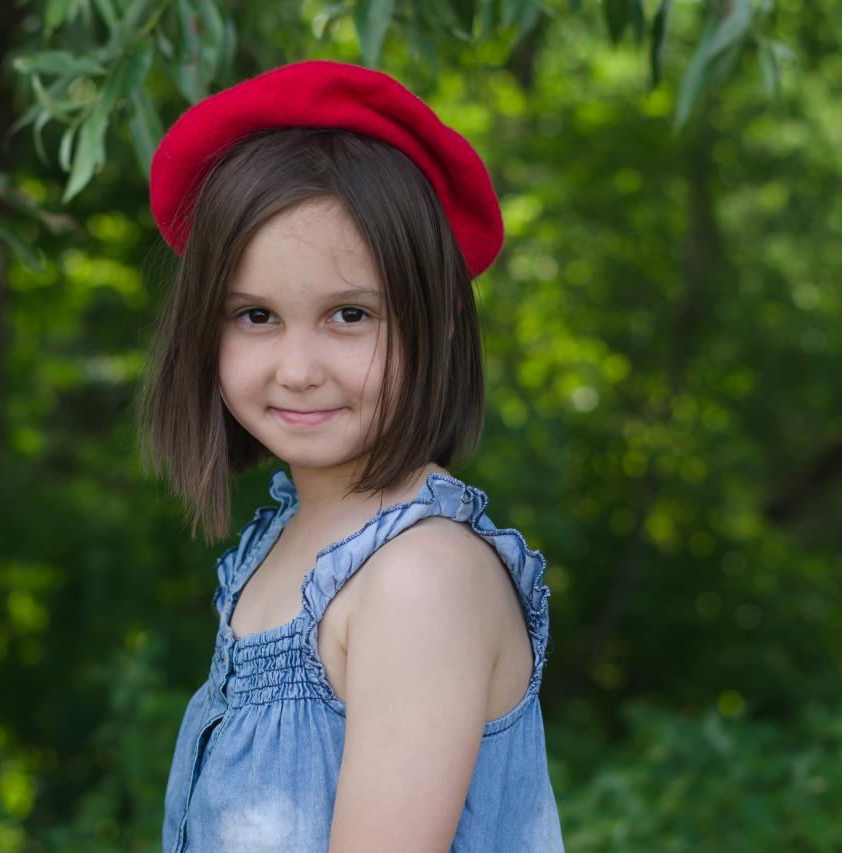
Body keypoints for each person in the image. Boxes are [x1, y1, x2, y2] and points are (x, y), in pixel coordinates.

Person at [136, 59, 563, 853]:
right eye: (256, 315)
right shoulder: (283, 540)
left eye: (350, 315)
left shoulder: (420, 579)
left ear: (437, 321)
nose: (298, 369)